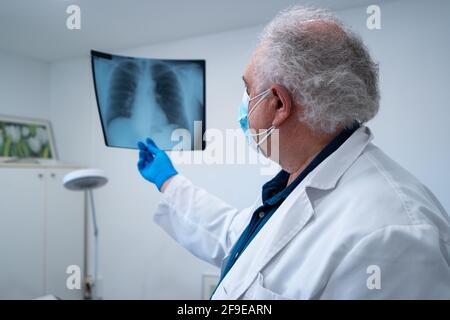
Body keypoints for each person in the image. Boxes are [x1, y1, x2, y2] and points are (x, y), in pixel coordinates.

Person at [137, 6, 450, 299]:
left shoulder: (392, 235)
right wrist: (169, 180)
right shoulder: (304, 179)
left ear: (278, 105)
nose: (244, 103)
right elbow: (239, 237)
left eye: (248, 89)